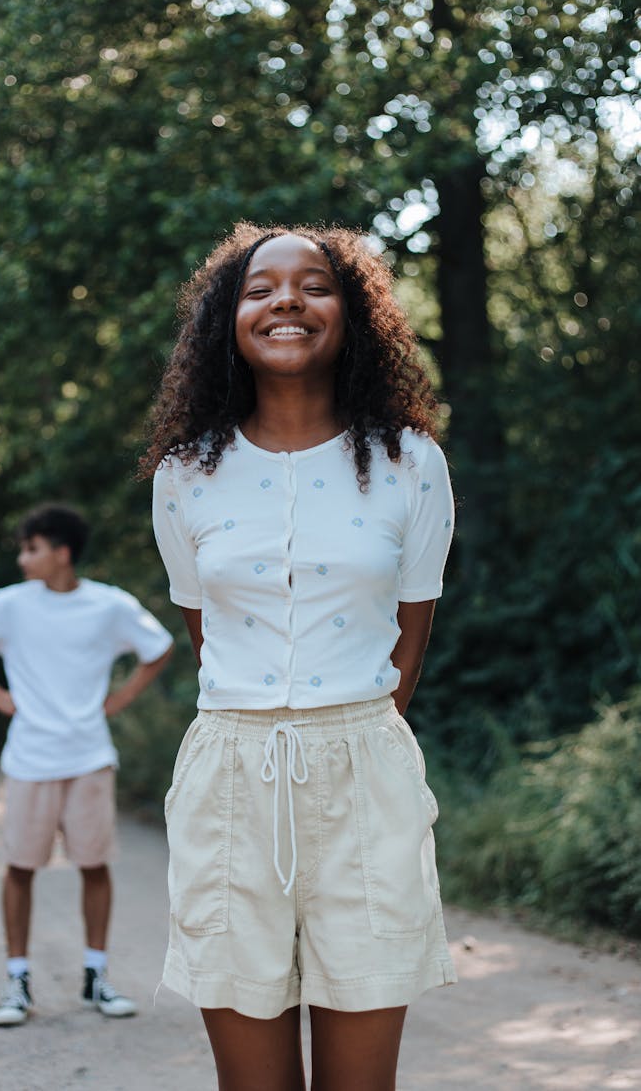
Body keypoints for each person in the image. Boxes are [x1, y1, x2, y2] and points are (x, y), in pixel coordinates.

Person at [142, 223, 457, 1090]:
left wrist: (344, 738)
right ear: (228, 320)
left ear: (351, 314)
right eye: (259, 287)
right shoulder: (186, 473)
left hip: (365, 775)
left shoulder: (411, 463)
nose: (287, 300)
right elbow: (205, 631)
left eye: (313, 284)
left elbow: (410, 635)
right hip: (230, 778)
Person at [0, 502, 174, 1027]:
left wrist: (121, 697)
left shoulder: (109, 605)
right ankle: (17, 982)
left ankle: (96, 978)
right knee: (20, 867)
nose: (24, 559)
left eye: (32, 549)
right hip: (30, 757)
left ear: (62, 553)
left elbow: (157, 647)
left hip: (90, 755)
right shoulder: (9, 605)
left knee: (95, 864)